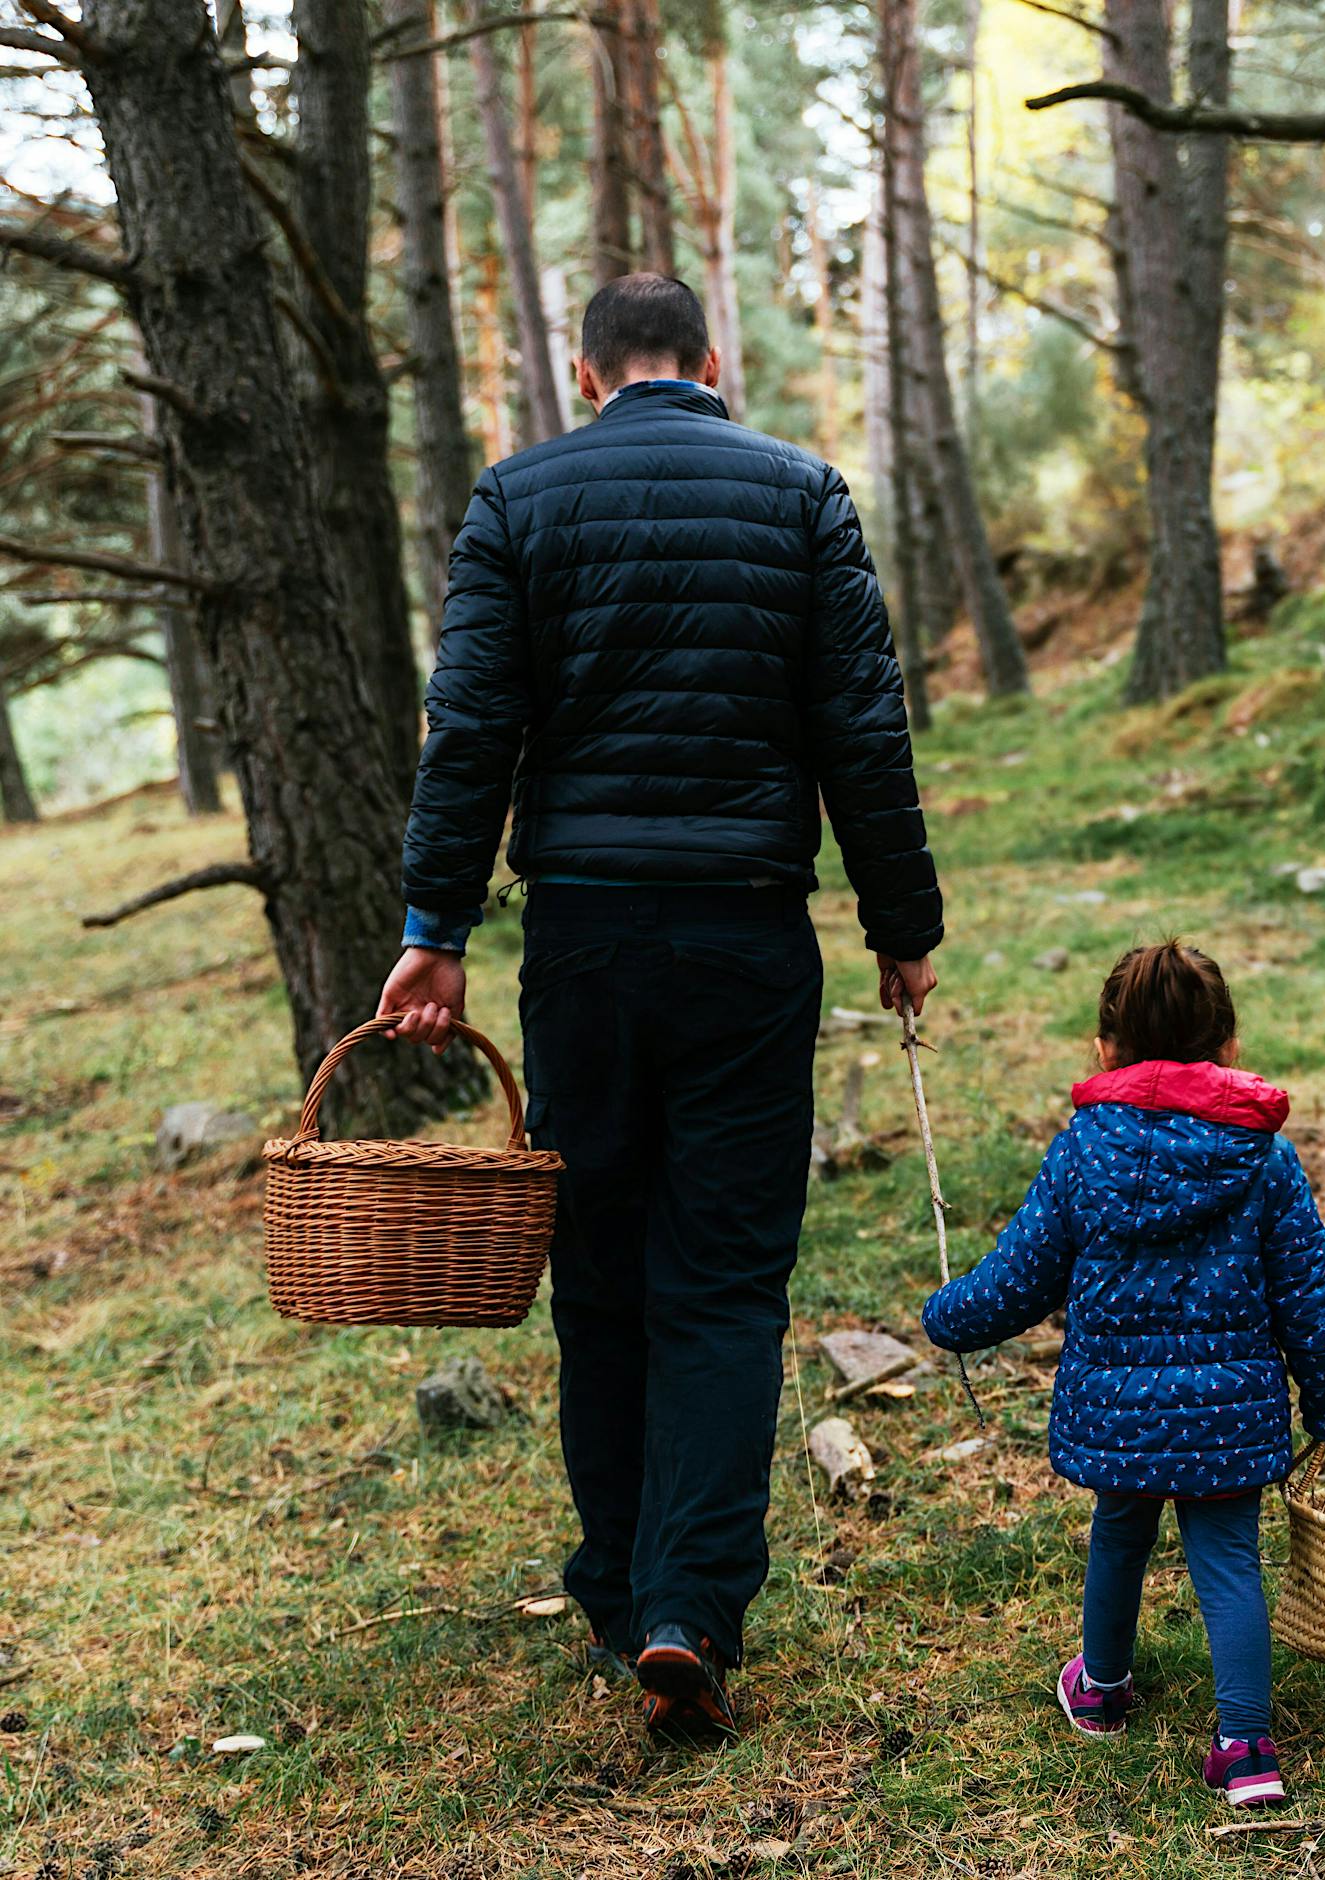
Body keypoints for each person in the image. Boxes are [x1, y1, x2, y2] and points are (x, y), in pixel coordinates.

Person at [377, 273, 942, 1741]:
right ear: (714, 360)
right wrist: (903, 925)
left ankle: (623, 1591)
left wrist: (436, 927)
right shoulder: (801, 492)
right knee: (728, 1277)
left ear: (586, 368)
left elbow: (471, 727)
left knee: (605, 1267)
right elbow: (861, 731)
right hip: (749, 944)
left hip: (581, 943)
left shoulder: (518, 499)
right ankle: (689, 1606)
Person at [921, 941, 1325, 1807]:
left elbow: (1022, 1273)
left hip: (1118, 1410)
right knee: (1229, 1558)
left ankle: (1101, 1685)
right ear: (1229, 1046)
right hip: (1229, 1413)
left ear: (1105, 1048)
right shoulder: (1263, 1159)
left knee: (1120, 1533)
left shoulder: (1085, 1151)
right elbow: (1312, 1293)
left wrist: (950, 1317)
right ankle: (1245, 1748)